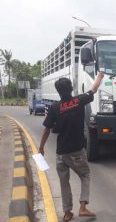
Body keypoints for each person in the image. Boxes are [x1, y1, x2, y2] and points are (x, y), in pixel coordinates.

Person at [38, 72, 104, 221]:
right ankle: (83, 206)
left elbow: (47, 129)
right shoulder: (79, 100)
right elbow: (93, 89)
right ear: (71, 88)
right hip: (76, 151)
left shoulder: (55, 107)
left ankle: (67, 213)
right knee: (85, 174)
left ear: (58, 91)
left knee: (64, 182)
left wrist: (41, 148)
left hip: (60, 153)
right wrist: (99, 76)